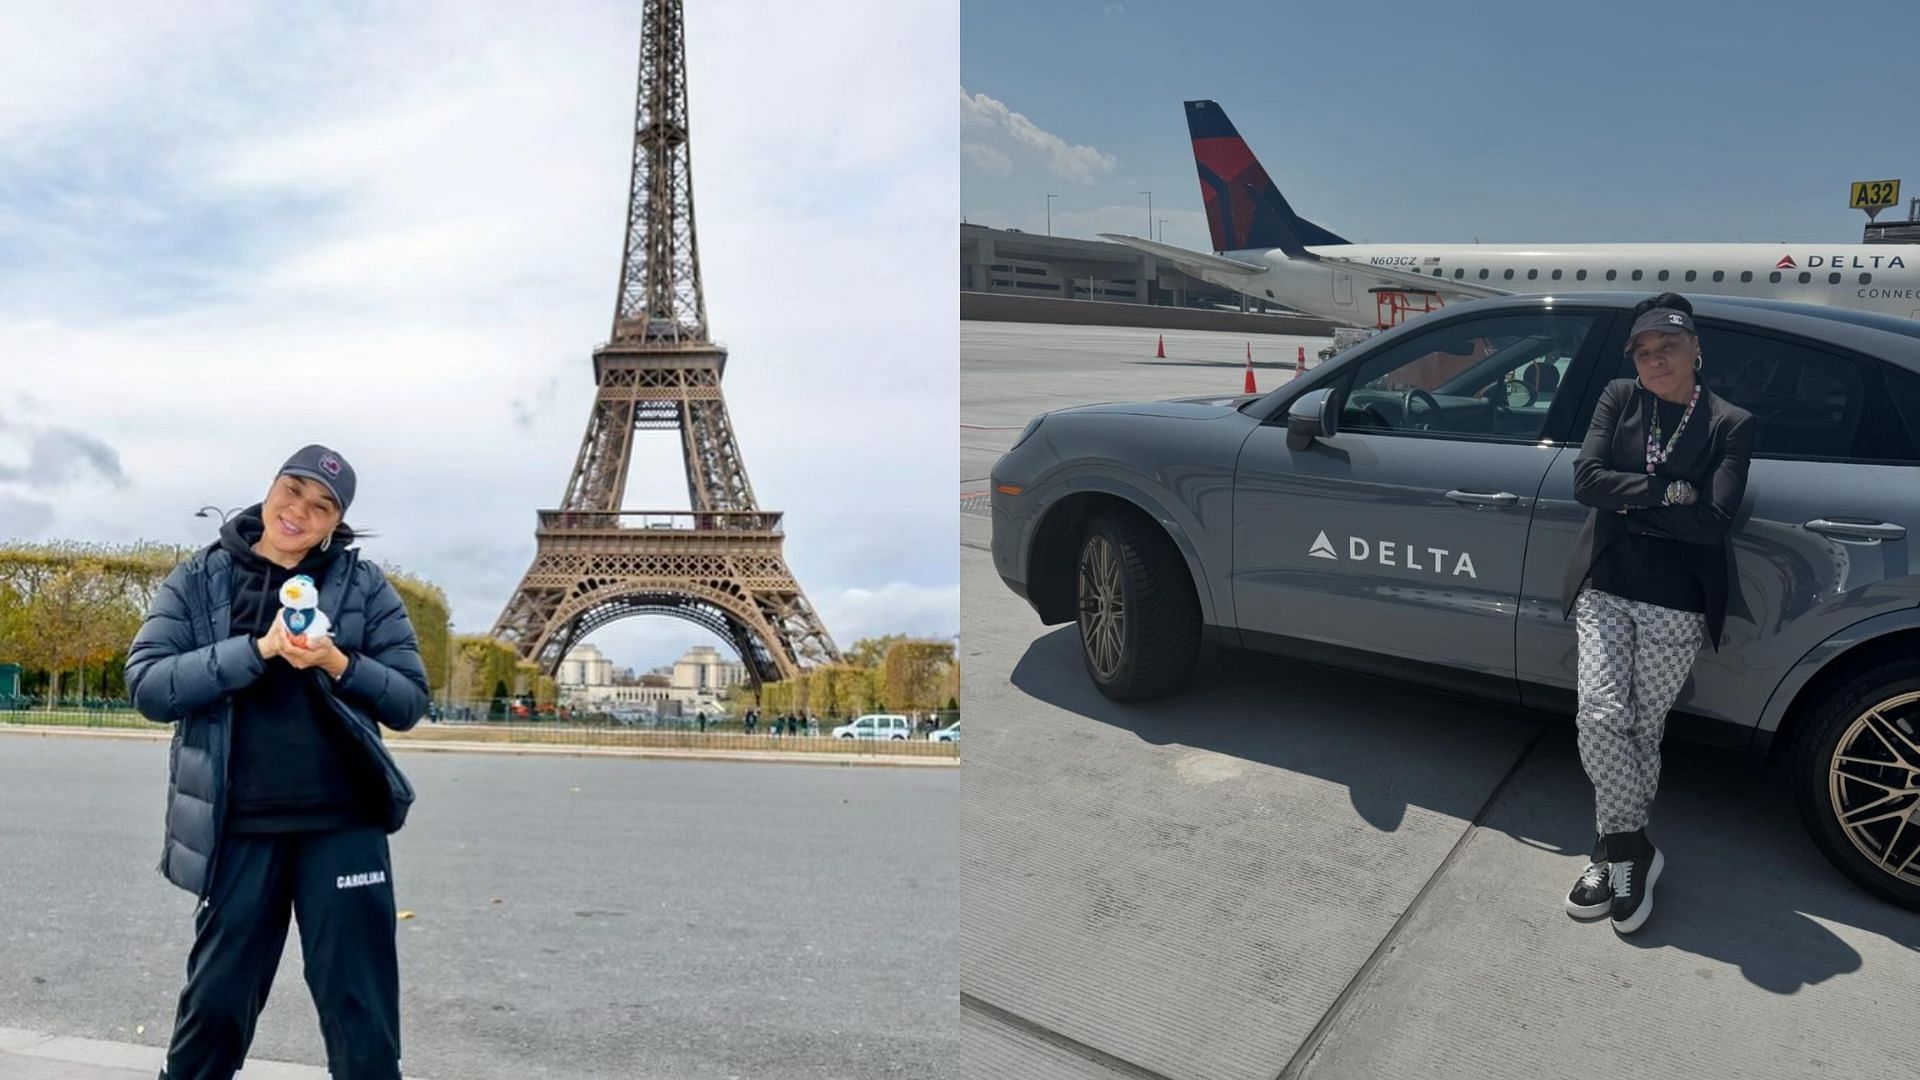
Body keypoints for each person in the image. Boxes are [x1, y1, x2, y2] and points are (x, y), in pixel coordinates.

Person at [125, 445, 430, 1079]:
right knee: (215, 1005)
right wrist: (257, 650)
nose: (299, 511)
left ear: (335, 521)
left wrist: (336, 662)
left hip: (343, 822)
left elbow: (407, 701)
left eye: (321, 506)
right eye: (292, 490)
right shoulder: (199, 578)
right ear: (269, 488)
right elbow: (149, 686)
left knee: (360, 1010)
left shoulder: (365, 586)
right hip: (239, 823)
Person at [1561, 294, 1754, 935]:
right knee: (1600, 715)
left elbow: (1714, 521)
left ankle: (1608, 852)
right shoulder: (1620, 398)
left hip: (1677, 598)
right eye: (1643, 351)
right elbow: (1586, 481)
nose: (1653, 360)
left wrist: (1631, 498)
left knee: (1642, 729)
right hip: (1607, 584)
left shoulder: (1730, 422)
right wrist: (1669, 489)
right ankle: (1632, 850)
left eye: (1666, 348)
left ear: (1696, 349)